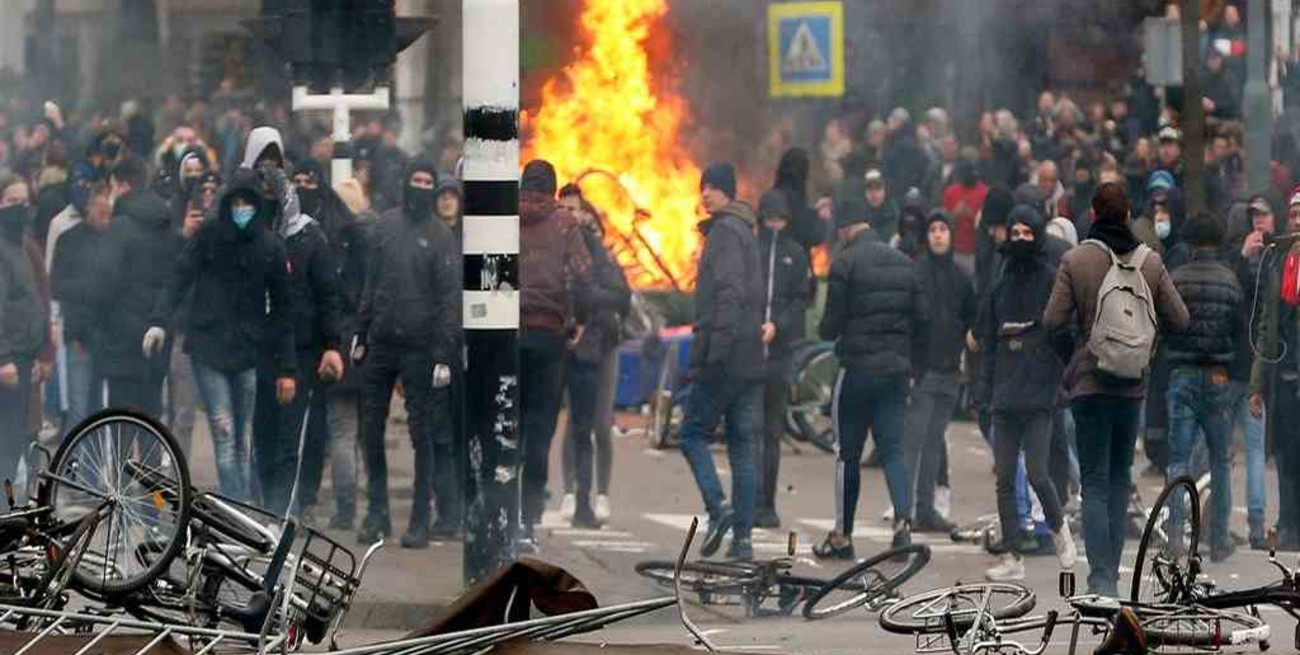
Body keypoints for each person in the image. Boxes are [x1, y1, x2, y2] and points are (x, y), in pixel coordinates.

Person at [1044, 182, 1189, 596]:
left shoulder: (1076, 260)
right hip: (1131, 388)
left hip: (1090, 385)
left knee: (1092, 483)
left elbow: (1052, 320)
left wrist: (1072, 360)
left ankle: (1102, 579)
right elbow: (1181, 319)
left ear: (1093, 213)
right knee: (1118, 478)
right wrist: (1148, 348)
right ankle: (1113, 579)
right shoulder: (1151, 262)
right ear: (1127, 215)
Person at [147, 168, 297, 502]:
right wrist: (159, 320)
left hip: (247, 352)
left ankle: (240, 507)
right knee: (225, 432)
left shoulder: (270, 246)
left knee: (242, 437)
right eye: (236, 202)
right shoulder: (210, 236)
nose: (241, 209)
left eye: (248, 203)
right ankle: (238, 506)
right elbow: (180, 276)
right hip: (209, 348)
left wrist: (287, 368)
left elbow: (285, 309)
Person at [814, 188, 928, 561]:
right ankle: (902, 527)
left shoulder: (845, 263)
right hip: (895, 373)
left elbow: (829, 327)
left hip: (857, 372)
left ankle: (842, 536)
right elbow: (920, 319)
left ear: (845, 227)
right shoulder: (904, 263)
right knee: (893, 450)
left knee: (847, 455)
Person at [352, 159, 460, 548]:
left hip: (422, 347)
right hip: (381, 340)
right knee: (370, 428)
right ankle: (377, 513)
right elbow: (372, 282)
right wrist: (360, 332)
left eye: (426, 181)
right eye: (415, 179)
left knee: (423, 434)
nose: (420, 186)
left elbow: (449, 299)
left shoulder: (441, 237)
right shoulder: (385, 227)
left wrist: (444, 353)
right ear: (405, 183)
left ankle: (419, 520)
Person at [978, 204, 1076, 581]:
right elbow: (989, 339)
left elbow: (1062, 334)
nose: (1019, 240)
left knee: (1038, 473)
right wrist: (983, 390)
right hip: (1004, 395)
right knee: (1004, 477)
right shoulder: (1001, 285)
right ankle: (1013, 556)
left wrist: (1053, 377)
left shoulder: (1052, 280)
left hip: (1038, 395)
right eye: (1013, 233)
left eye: (1026, 233)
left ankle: (1060, 532)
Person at [677, 162, 764, 561]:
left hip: (725, 358)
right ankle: (742, 540)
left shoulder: (726, 233)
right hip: (749, 360)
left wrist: (715, 355)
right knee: (743, 447)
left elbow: (729, 295)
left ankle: (719, 508)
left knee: (692, 433)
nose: (705, 193)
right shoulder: (745, 231)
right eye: (703, 187)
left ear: (727, 192)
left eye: (713, 187)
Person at [251, 158, 343, 518]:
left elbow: (327, 295)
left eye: (273, 192)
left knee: (290, 438)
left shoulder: (309, 237)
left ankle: (279, 513)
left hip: (303, 351)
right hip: (259, 351)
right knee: (262, 434)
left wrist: (332, 345)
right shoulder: (251, 238)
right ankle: (264, 507)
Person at [517, 160, 592, 551]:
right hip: (549, 337)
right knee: (540, 430)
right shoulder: (565, 223)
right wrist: (578, 319)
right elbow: (583, 273)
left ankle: (501, 511)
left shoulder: (504, 217)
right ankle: (528, 520)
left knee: (505, 424)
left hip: (507, 336)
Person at [1165, 212, 1243, 562]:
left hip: (1182, 372)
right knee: (1220, 461)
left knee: (1178, 460)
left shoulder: (1176, 279)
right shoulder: (1230, 281)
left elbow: (1166, 324)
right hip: (1218, 375)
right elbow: (1240, 330)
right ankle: (1218, 538)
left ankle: (1176, 537)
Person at [93, 155, 183, 419]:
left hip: (120, 340)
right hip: (157, 336)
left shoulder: (119, 228)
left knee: (121, 423)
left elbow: (104, 283)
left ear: (123, 186)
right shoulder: (167, 225)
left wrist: (99, 323)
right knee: (151, 420)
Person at [560, 197, 630, 528]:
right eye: (567, 209)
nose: (573, 215)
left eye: (578, 209)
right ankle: (569, 492)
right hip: (566, 344)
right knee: (572, 423)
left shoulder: (601, 253)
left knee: (601, 424)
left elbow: (621, 295)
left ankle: (601, 494)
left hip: (602, 345)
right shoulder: (554, 247)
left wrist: (588, 301)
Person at [906, 210, 975, 533]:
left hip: (949, 370)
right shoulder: (916, 272)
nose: (937, 235)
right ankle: (906, 511)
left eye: (942, 229)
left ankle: (925, 510)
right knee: (915, 444)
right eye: (932, 229)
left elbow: (972, 317)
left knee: (934, 443)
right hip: (923, 372)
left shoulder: (961, 276)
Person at [753, 189, 812, 529]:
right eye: (769, 218)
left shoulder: (795, 254)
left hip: (779, 354)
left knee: (771, 431)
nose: (774, 224)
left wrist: (780, 325)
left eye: (780, 219)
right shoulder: (752, 250)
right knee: (749, 431)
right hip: (749, 354)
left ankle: (767, 504)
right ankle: (749, 500)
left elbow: (800, 300)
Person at [1249, 190, 1300, 550]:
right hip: (1284, 373)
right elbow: (1266, 326)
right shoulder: (1278, 259)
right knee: (1284, 453)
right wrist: (1257, 384)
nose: (1297, 221)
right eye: (1294, 214)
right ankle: (1289, 526)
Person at [0, 174, 50, 483]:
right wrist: (3, 358)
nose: (20, 208)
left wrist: (43, 351)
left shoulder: (22, 245)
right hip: (8, 361)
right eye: (11, 201)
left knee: (18, 443)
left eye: (24, 201)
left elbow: (37, 299)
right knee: (6, 448)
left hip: (24, 358)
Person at [49, 184, 112, 428]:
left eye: (109, 214)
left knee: (97, 409)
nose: (106, 219)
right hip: (78, 336)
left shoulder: (112, 239)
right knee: (78, 409)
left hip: (105, 334)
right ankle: (73, 464)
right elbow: (57, 285)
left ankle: (90, 465)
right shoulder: (69, 240)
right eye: (102, 213)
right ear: (90, 209)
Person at [1233, 195, 1274, 548]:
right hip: (1237, 369)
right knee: (1222, 453)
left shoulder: (1269, 260)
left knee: (1253, 450)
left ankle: (1258, 525)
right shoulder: (1250, 261)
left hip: (1247, 368)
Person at [864, 169, 900, 243]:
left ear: (885, 190)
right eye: (869, 190)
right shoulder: (858, 215)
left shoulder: (893, 212)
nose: (874, 195)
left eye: (878, 189)